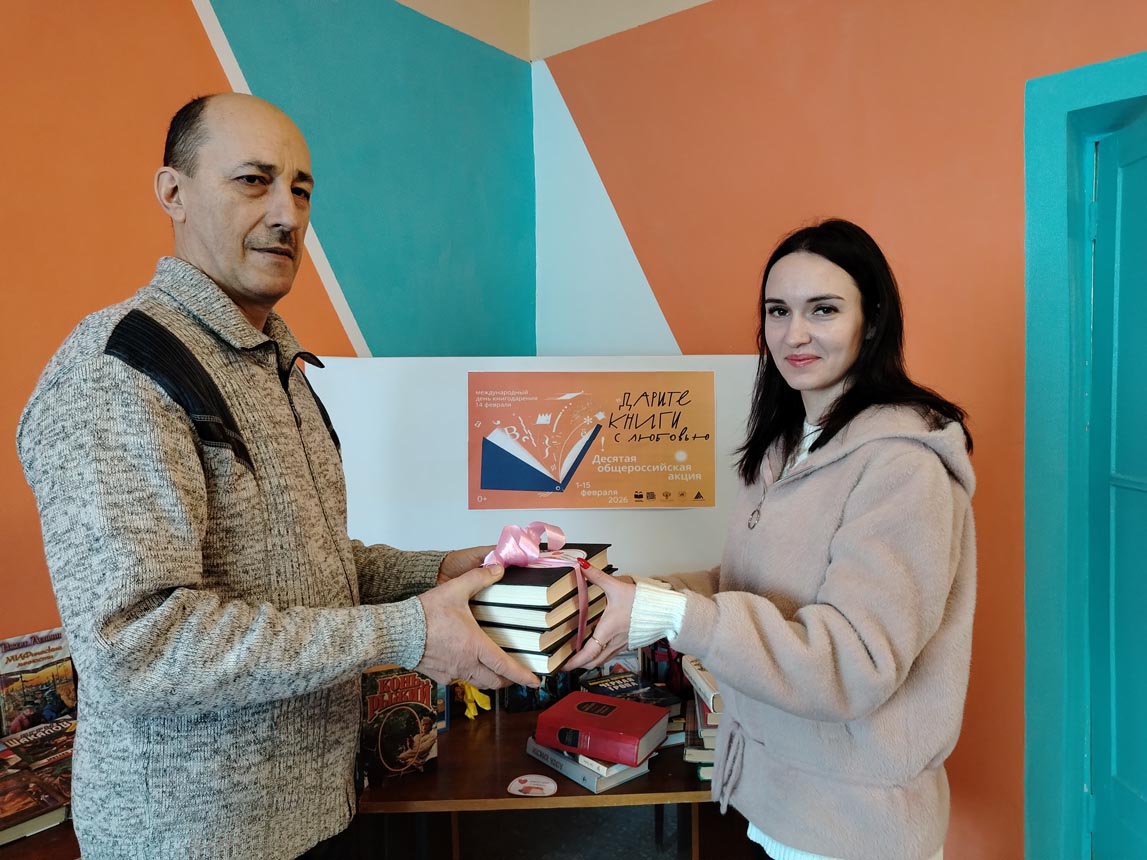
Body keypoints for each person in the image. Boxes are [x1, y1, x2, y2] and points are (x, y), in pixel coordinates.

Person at [17, 92, 538, 860]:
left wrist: (441, 570)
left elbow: (305, 567)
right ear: (173, 192)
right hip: (190, 842)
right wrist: (408, 631)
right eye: (253, 181)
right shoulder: (117, 371)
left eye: (301, 189)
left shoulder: (275, 364)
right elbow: (138, 646)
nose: (287, 214)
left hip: (316, 817)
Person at [568, 218, 976, 860]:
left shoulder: (904, 468)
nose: (794, 334)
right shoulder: (787, 446)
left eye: (824, 309)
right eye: (778, 310)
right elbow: (751, 586)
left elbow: (853, 664)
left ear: (872, 321)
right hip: (774, 800)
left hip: (853, 831)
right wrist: (641, 595)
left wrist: (675, 615)